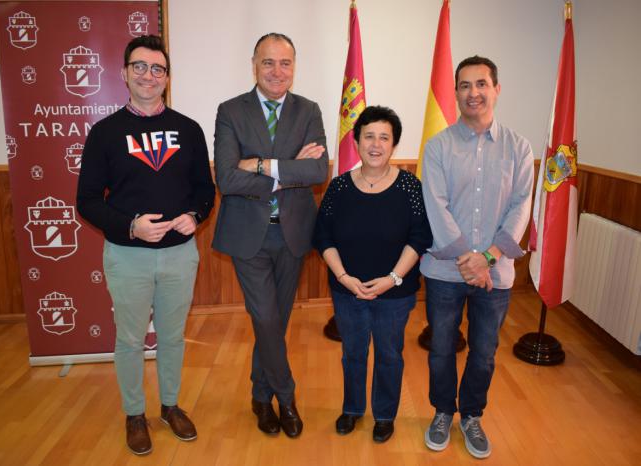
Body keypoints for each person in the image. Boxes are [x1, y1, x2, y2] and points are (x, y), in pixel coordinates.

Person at [76, 35, 215, 456]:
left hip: (179, 255)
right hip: (127, 255)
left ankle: (170, 406)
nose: (148, 75)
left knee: (172, 338)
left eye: (157, 69)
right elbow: (85, 201)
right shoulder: (104, 133)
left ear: (167, 78)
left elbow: (204, 189)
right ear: (124, 73)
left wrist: (196, 215)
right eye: (140, 66)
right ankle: (134, 414)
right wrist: (131, 226)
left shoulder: (188, 129)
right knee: (131, 340)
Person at [212, 32, 328, 438]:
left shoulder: (309, 111)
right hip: (248, 236)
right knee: (264, 316)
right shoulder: (230, 110)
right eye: (268, 62)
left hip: (293, 234)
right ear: (254, 65)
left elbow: (317, 172)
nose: (277, 71)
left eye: (285, 63)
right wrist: (286, 169)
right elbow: (226, 178)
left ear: (294, 67)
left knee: (273, 324)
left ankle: (260, 396)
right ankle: (287, 396)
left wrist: (260, 165)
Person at [420, 56, 534, 459]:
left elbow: (521, 207)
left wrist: (487, 258)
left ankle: (470, 416)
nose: (474, 93)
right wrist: (469, 260)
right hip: (444, 271)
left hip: (496, 273)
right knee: (441, 348)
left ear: (496, 89)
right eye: (465, 85)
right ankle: (441, 411)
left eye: (481, 84)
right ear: (455, 93)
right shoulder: (438, 146)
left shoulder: (519, 148)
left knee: (484, 352)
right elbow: (435, 206)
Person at [313, 106, 432, 443]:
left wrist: (393, 278)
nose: (376, 144)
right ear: (356, 141)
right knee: (353, 352)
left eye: (384, 137)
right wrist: (343, 277)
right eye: (369, 136)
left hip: (395, 291)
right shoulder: (338, 188)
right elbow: (323, 237)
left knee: (389, 354)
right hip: (347, 289)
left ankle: (384, 415)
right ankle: (352, 409)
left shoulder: (410, 187)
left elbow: (420, 237)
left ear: (393, 144)